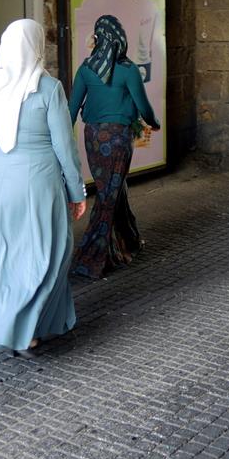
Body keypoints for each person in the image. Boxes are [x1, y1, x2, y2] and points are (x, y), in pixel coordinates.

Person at [0, 19, 87, 358]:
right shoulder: (48, 88)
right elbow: (64, 147)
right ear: (36, 47)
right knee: (47, 254)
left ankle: (2, 324)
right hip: (37, 184)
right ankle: (28, 330)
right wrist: (77, 191)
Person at [69, 15, 160, 279]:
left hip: (93, 137)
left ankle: (126, 242)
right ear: (120, 39)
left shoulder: (86, 68)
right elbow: (143, 105)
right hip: (119, 138)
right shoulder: (129, 69)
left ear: (98, 39)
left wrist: (61, 139)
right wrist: (153, 123)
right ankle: (92, 258)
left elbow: (72, 109)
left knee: (110, 189)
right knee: (109, 195)